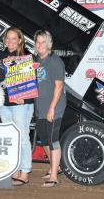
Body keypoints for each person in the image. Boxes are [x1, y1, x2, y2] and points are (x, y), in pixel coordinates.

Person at [0, 27, 34, 186]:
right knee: (10, 137)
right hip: (4, 103)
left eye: (14, 39)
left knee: (22, 137)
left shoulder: (27, 57)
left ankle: (25, 170)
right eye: (8, 38)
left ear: (20, 40)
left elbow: (33, 83)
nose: (10, 42)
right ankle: (15, 168)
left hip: (22, 104)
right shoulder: (0, 55)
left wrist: (23, 95)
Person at [34, 29, 66, 188]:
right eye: (37, 42)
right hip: (39, 107)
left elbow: (59, 87)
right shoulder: (35, 60)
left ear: (49, 44)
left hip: (53, 107)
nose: (40, 45)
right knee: (44, 140)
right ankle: (56, 166)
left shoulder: (55, 61)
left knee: (53, 140)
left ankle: (54, 176)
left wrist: (52, 109)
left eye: (43, 42)